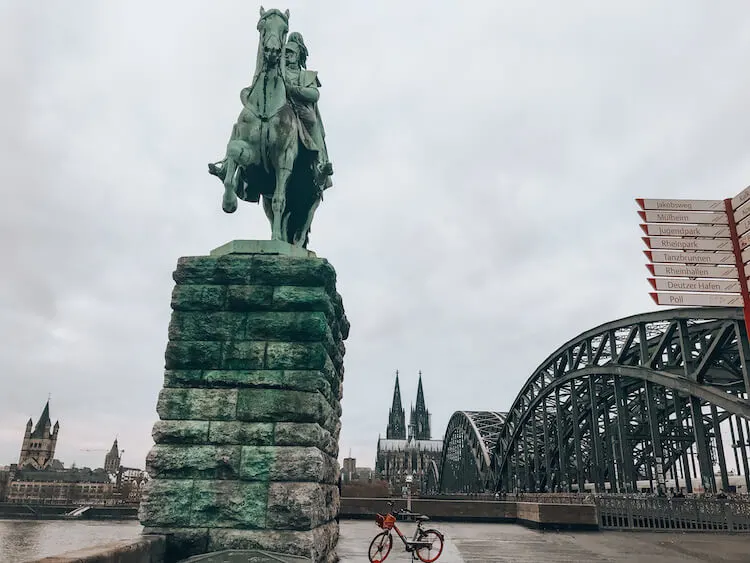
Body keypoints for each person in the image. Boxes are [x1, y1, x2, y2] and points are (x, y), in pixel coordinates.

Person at [283, 32, 333, 188]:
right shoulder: (278, 72)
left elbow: (314, 94)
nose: (287, 55)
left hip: (300, 108)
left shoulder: (307, 75)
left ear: (299, 55)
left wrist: (294, 90)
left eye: (291, 52)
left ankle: (320, 165)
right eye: (286, 52)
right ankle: (231, 167)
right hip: (279, 106)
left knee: (311, 118)